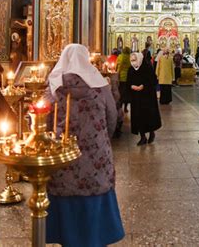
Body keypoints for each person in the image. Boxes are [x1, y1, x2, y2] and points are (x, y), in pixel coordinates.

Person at [45, 44, 124, 246]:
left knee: (65, 191)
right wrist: (101, 138)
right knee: (95, 190)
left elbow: (41, 121)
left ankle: (67, 238)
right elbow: (112, 117)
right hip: (95, 157)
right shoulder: (99, 84)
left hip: (64, 157)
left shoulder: (54, 86)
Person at [127, 52, 162, 146]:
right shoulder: (131, 69)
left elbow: (153, 80)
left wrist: (144, 86)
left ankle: (151, 133)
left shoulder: (147, 68)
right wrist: (132, 86)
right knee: (138, 117)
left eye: (135, 60)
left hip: (147, 97)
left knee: (148, 116)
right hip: (136, 98)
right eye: (132, 60)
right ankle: (142, 137)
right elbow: (128, 81)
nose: (133, 62)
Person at [116, 47, 131, 113]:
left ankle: (120, 106)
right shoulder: (130, 57)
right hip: (128, 76)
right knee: (127, 92)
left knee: (121, 92)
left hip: (121, 76)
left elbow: (118, 66)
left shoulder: (120, 56)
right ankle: (125, 107)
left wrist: (117, 74)